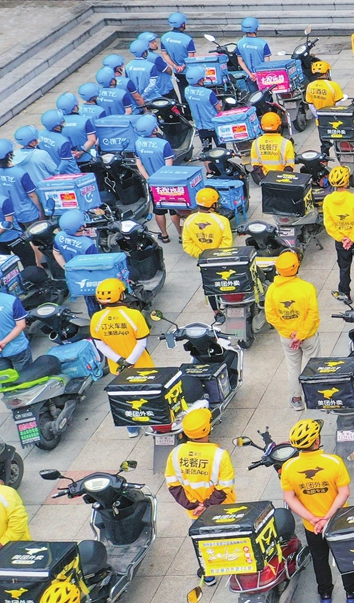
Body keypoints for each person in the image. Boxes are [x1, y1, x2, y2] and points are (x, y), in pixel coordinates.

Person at [279, 419, 354, 603]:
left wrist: (313, 519)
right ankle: (352, 591)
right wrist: (327, 518)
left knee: (320, 559)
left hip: (312, 527)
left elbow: (289, 498)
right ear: (317, 441)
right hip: (338, 522)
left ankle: (325, 594)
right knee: (344, 555)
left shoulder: (288, 467)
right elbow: (344, 493)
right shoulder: (333, 462)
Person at [163, 409, 237, 566]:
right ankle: (232, 566)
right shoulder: (219, 455)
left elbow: (173, 485)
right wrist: (207, 506)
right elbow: (225, 487)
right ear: (208, 429)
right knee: (231, 540)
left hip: (194, 511)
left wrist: (196, 505)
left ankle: (208, 573)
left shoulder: (176, 453)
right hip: (223, 508)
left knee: (203, 542)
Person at [91, 278, 154, 435]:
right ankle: (153, 424)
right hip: (142, 364)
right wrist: (130, 361)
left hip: (117, 368)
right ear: (120, 295)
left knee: (127, 398)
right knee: (147, 395)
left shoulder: (96, 319)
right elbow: (141, 343)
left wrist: (120, 361)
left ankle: (132, 429)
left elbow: (100, 345)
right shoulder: (134, 315)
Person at [264, 251, 320, 412]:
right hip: (308, 336)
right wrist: (301, 335)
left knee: (293, 367)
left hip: (287, 338)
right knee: (313, 365)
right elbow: (313, 314)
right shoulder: (306, 288)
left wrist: (291, 334)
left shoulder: (272, 290)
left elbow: (271, 316)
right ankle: (314, 396)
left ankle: (297, 400)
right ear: (296, 267)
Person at [182, 188, 234, 323]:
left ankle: (216, 312)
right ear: (213, 204)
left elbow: (187, 244)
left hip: (203, 262)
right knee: (227, 282)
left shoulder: (189, 220)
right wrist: (215, 255)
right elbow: (227, 243)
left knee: (210, 286)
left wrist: (203, 255)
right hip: (221, 260)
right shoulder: (222, 220)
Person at [133, 115, 183, 243]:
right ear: (154, 129)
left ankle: (164, 235)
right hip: (168, 182)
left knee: (159, 210)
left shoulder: (138, 143)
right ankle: (180, 234)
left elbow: (139, 165)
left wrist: (149, 179)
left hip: (152, 183)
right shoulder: (163, 144)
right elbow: (168, 166)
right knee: (173, 209)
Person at [323, 167, 354, 303]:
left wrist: (342, 238)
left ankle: (345, 294)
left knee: (344, 268)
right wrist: (351, 238)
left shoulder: (328, 200)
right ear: (347, 181)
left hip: (341, 242)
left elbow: (328, 224)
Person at [53, 210, 100, 314]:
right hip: (90, 276)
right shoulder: (88, 244)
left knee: (90, 302)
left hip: (75, 275)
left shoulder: (59, 236)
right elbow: (94, 265)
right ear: (79, 227)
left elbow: (56, 253)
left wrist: (66, 268)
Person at [0, 141, 43, 244]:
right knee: (37, 241)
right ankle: (39, 261)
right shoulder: (20, 173)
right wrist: (40, 210)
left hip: (9, 215)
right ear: (10, 154)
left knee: (23, 242)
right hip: (28, 214)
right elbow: (32, 195)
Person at [183, 65, 222, 151]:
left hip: (201, 128)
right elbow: (219, 109)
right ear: (200, 80)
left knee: (206, 151)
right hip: (214, 126)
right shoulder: (208, 93)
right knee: (221, 149)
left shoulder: (186, 91)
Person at [249, 112, 294, 183]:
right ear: (279, 126)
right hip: (283, 180)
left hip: (266, 180)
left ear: (262, 126)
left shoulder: (256, 143)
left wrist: (265, 178)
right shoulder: (286, 143)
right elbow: (290, 165)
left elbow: (255, 165)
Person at [161, 12, 196, 94]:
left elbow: (164, 54)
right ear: (183, 24)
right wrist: (183, 66)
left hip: (177, 71)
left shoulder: (164, 37)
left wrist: (175, 66)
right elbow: (191, 56)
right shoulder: (187, 39)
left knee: (182, 92)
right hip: (189, 70)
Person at [38, 111, 80, 175]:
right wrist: (57, 175)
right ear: (56, 126)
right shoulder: (64, 141)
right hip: (70, 174)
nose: (63, 124)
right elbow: (65, 163)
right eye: (62, 122)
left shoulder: (40, 134)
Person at [0, 288, 31, 373]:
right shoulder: (11, 300)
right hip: (17, 349)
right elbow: (21, 326)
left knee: (6, 382)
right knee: (26, 378)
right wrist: (3, 342)